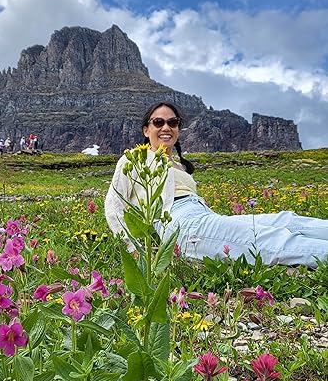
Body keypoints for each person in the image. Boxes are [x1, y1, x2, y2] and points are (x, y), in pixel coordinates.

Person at [105, 102, 328, 268]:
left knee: (287, 220)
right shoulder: (135, 158)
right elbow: (114, 206)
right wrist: (133, 249)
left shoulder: (179, 164)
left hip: (201, 217)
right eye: (158, 122)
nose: (166, 127)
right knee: (270, 240)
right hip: (179, 222)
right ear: (146, 130)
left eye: (173, 122)